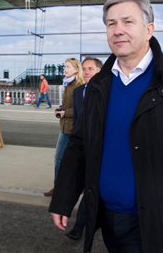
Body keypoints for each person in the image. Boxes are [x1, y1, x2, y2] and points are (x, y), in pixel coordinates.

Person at [49, 0, 163, 253]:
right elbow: (79, 145)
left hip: (159, 222)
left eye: (127, 21)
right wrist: (64, 199)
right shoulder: (99, 84)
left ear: (149, 29)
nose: (118, 30)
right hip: (108, 218)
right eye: (111, 24)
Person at [65, 57, 103, 242]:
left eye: (91, 69)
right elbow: (77, 122)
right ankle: (79, 228)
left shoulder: (108, 91)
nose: (86, 72)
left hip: (104, 149)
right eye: (85, 69)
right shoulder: (79, 92)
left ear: (99, 72)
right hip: (86, 149)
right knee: (90, 188)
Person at [44, 58, 84, 197]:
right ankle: (60, 187)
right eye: (64, 67)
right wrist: (61, 108)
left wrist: (65, 113)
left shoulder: (79, 86)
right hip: (65, 127)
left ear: (76, 69)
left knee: (64, 159)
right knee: (63, 159)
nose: (65, 69)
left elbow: (82, 109)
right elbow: (70, 106)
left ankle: (64, 187)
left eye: (68, 67)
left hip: (73, 128)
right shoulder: (67, 84)